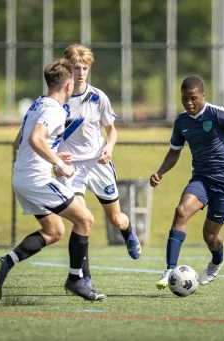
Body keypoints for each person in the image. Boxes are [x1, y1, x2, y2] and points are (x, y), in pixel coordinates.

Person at [0, 58, 106, 302]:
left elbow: (18, 143)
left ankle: (4, 264)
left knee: (54, 231)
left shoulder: (38, 104)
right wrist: (58, 163)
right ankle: (76, 280)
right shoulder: (54, 109)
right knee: (85, 219)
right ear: (68, 86)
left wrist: (53, 152)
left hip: (22, 178)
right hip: (36, 179)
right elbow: (35, 139)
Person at [150, 76, 224, 289]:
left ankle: (217, 260)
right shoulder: (181, 122)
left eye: (194, 98)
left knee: (210, 236)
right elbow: (174, 152)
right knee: (181, 212)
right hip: (202, 178)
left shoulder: (219, 114)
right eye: (185, 99)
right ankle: (169, 271)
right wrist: (160, 172)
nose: (189, 103)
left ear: (203, 96)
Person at [55, 44, 141, 287]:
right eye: (75, 68)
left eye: (84, 68)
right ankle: (84, 277)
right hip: (72, 168)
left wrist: (109, 147)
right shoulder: (58, 99)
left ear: (89, 69)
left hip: (98, 164)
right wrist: (56, 158)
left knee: (115, 219)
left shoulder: (98, 97)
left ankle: (128, 231)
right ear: (67, 68)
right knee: (83, 220)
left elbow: (111, 131)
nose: (80, 73)